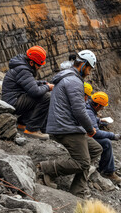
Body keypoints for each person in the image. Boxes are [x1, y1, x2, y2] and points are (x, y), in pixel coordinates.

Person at [39, 50, 102, 198]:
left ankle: (77, 190)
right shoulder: (74, 81)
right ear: (83, 65)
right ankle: (45, 168)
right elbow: (79, 111)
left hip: (66, 125)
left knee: (96, 149)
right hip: (66, 127)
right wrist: (90, 129)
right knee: (83, 163)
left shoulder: (69, 77)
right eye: (89, 69)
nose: (89, 73)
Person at [1, 46, 53, 140]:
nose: (40, 67)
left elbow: (27, 83)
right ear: (31, 62)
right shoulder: (23, 70)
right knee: (46, 97)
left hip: (14, 99)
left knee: (38, 96)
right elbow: (35, 92)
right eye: (39, 65)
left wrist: (41, 83)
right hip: (13, 101)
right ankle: (32, 130)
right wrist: (48, 87)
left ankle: (22, 124)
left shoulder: (21, 67)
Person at [85, 91, 121, 183]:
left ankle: (106, 169)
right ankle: (107, 171)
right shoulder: (89, 112)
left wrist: (98, 120)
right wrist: (113, 136)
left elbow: (90, 120)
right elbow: (96, 133)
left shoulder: (87, 106)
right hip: (82, 136)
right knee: (106, 142)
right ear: (97, 105)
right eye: (102, 106)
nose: (102, 109)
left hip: (82, 133)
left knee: (105, 141)